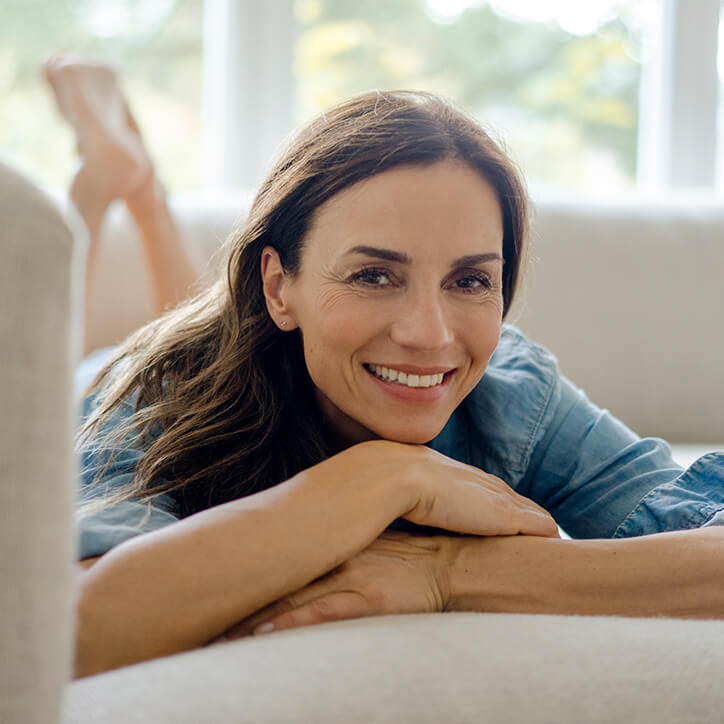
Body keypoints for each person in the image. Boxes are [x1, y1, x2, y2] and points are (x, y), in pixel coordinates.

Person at [44, 56, 724, 680]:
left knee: (190, 313)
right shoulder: (148, 398)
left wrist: (449, 571)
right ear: (279, 286)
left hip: (231, 340)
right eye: (374, 275)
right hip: (122, 374)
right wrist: (385, 477)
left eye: (470, 282)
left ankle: (142, 187)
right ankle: (112, 189)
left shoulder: (511, 392)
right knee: (94, 350)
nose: (429, 337)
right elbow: (69, 635)